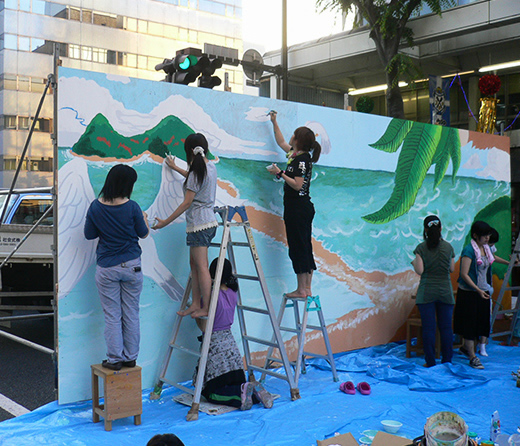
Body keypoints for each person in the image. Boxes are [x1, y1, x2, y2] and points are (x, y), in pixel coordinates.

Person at [84, 164, 150, 371]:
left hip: (107, 267)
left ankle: (114, 359)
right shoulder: (133, 207)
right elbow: (143, 233)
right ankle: (131, 357)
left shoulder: (96, 206)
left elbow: (89, 235)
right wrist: (145, 219)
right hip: (132, 266)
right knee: (131, 312)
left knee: (112, 314)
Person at [195, 257, 273, 410]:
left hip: (215, 346)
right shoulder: (232, 292)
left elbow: (204, 327)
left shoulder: (211, 295)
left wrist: (196, 309)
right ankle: (253, 391)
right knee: (236, 384)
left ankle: (242, 391)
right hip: (230, 345)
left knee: (212, 393)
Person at [154, 133, 218, 318]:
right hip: (206, 222)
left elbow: (186, 202)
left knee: (201, 266)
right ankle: (196, 303)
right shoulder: (210, 166)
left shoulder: (197, 172)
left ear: (190, 151)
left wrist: (165, 222)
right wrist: (175, 167)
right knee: (195, 264)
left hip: (200, 224)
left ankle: (205, 306)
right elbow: (194, 178)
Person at [267, 111, 321, 298]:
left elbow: (298, 185)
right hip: (299, 208)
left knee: (299, 247)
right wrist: (274, 122)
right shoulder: (296, 155)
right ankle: (306, 289)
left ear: (298, 140)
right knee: (303, 245)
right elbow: (281, 142)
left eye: (293, 135)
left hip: (298, 208)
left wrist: (280, 173)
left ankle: (302, 289)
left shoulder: (301, 160)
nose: (290, 137)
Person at [411, 215, 456, 367]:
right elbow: (451, 269)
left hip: (426, 293)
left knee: (428, 329)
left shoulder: (421, 248)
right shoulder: (449, 247)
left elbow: (420, 270)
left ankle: (430, 362)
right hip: (445, 292)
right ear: (441, 228)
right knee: (446, 328)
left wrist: (413, 262)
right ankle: (447, 360)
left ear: (425, 229)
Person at [453, 220, 494, 369]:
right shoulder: (469, 250)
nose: (487, 238)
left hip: (483, 291)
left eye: (488, 235)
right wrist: (477, 289)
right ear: (476, 235)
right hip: (470, 293)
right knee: (469, 325)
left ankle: (467, 349)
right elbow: (464, 274)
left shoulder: (487, 249)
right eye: (484, 236)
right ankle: (472, 356)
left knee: (481, 324)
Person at [476, 227, 511, 357]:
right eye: (490, 243)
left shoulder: (489, 250)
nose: (491, 246)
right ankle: (474, 343)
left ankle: (483, 344)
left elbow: (494, 257)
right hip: (477, 286)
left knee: (487, 317)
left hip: (486, 286)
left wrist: (509, 263)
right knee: (476, 317)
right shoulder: (475, 250)